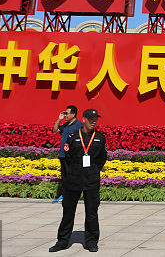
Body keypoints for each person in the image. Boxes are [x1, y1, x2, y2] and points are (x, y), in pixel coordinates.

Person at [51, 108, 107, 253]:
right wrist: (75, 170)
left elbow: (102, 158)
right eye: (90, 119)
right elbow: (67, 156)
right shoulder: (73, 136)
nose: (93, 122)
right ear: (84, 120)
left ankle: (91, 241)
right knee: (68, 211)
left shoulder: (100, 138)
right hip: (74, 178)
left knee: (92, 212)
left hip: (91, 179)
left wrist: (93, 170)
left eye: (95, 119)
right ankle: (62, 241)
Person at [53, 105, 82, 204]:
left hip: (72, 155)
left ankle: (70, 195)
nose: (65, 115)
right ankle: (64, 195)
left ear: (73, 114)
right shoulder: (66, 125)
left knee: (71, 176)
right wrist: (59, 119)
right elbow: (55, 130)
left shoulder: (78, 125)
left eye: (67, 113)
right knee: (64, 176)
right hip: (63, 154)